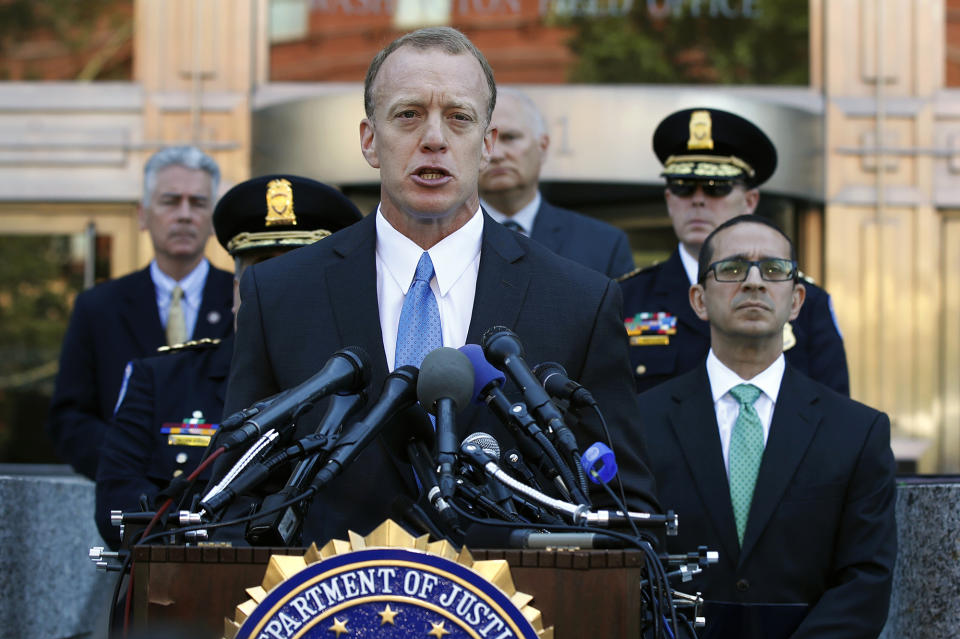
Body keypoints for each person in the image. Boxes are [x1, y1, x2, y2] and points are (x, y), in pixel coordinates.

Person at [214, 26, 660, 548]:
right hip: (325, 616)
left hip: (515, 620)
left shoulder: (580, 301)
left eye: (458, 117)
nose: (434, 138)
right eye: (408, 115)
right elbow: (235, 494)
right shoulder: (280, 293)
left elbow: (622, 510)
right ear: (368, 140)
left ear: (487, 143)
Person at [637, 214, 896, 639]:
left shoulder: (857, 431)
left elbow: (864, 581)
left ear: (796, 301)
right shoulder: (641, 422)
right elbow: (632, 566)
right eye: (733, 269)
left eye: (774, 270)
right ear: (699, 300)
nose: (754, 282)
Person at [94, 175, 362, 548]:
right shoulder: (159, 379)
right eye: (264, 272)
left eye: (299, 273)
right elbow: (118, 508)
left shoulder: (364, 387)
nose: (280, 291)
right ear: (237, 287)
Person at [619, 108, 849, 395]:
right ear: (668, 199)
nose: (698, 201)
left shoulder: (805, 301)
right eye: (683, 187)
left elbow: (834, 413)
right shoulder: (627, 298)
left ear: (750, 200)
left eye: (716, 187)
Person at [48, 146, 233, 479]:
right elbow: (69, 420)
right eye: (170, 201)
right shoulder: (98, 306)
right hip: (127, 501)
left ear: (213, 219)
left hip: (221, 503)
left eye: (199, 202)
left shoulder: (244, 300)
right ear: (142, 215)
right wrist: (134, 461)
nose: (185, 214)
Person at [478, 88, 634, 277]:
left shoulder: (603, 245)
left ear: (542, 146)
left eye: (510, 138)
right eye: (483, 141)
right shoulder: (441, 238)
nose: (496, 154)